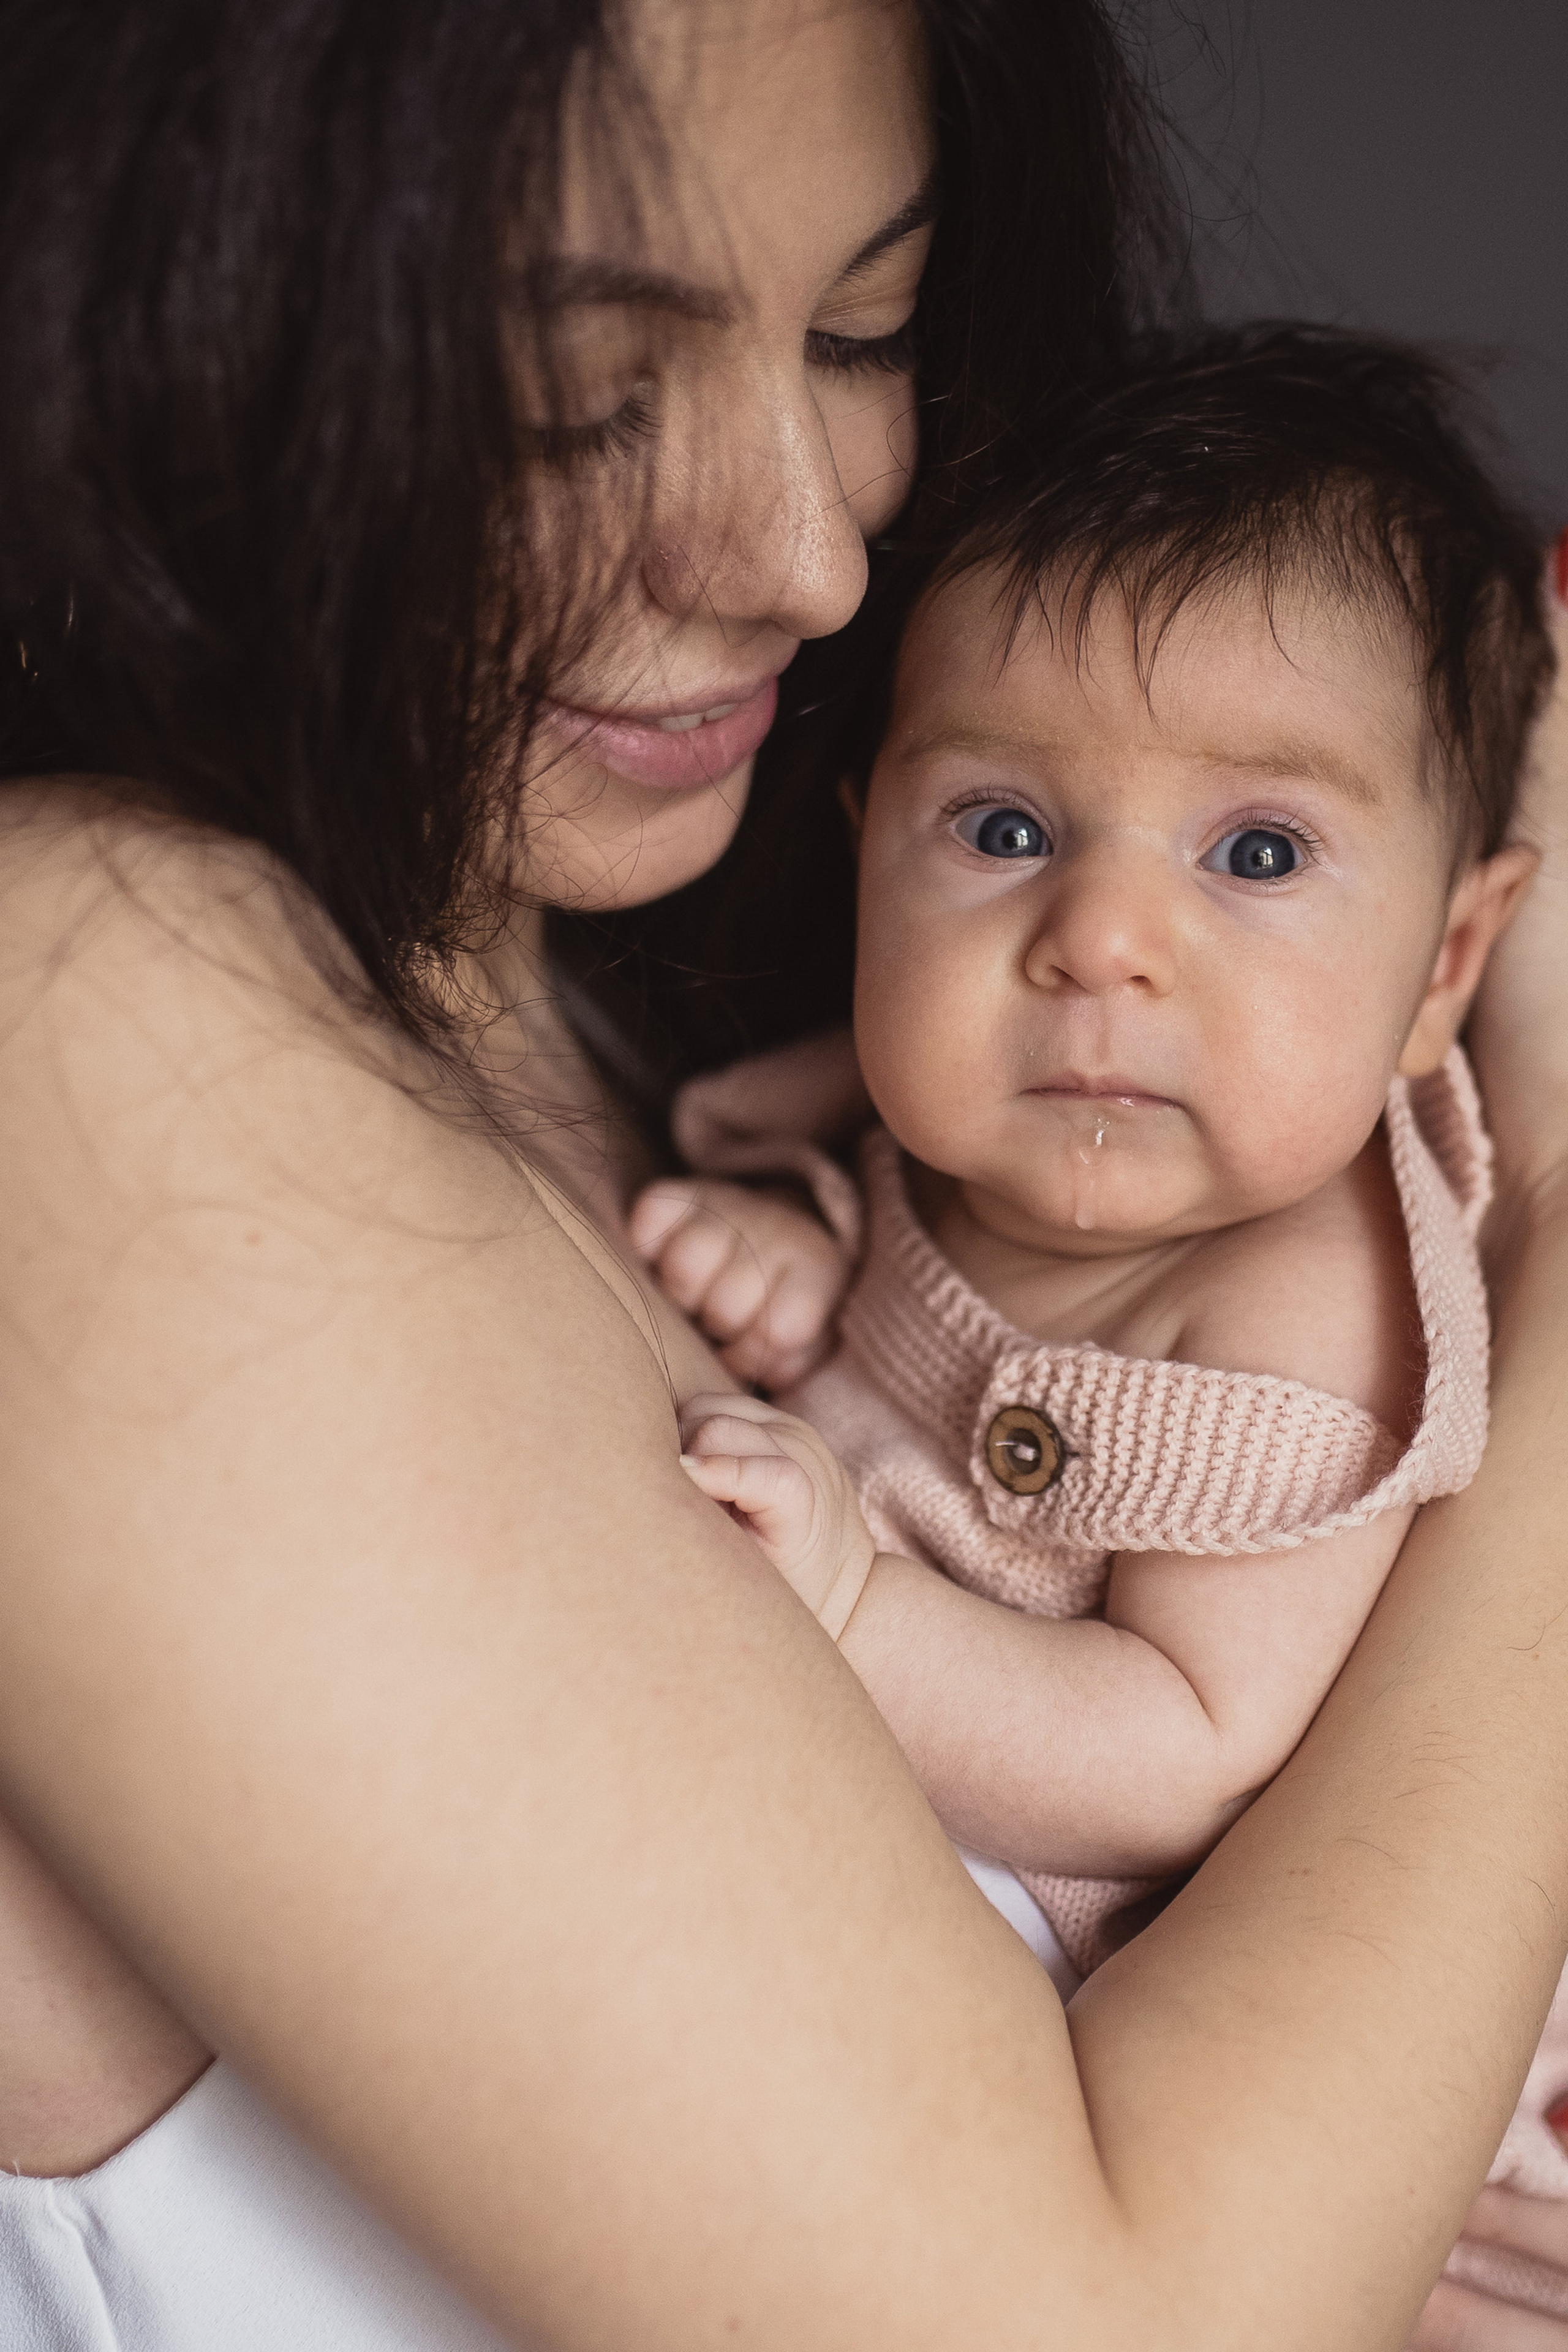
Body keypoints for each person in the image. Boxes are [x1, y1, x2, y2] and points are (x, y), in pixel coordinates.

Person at [0, 4, 1566, 2348]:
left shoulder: (739, 1024)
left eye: (865, 332)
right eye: (579, 393)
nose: (812, 552)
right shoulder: (83, 1000)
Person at [639, 318, 1568, 2157]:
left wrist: (853, 1607)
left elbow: (1185, 1744)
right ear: (868, 856)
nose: (1103, 938)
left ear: (1444, 971)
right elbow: (933, 1318)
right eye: (1002, 826)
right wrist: (812, 1263)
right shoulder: (942, 1124)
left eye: (1258, 856)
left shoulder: (1309, 1301)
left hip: (1237, 2097)